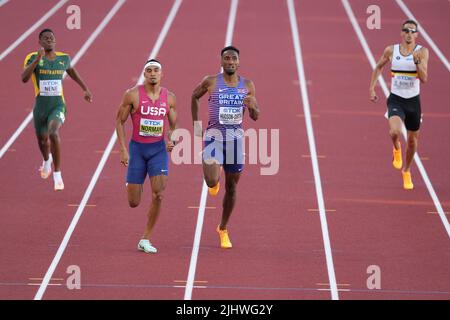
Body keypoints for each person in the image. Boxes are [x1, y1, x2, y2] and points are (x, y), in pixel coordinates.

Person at [191, 46, 260, 249]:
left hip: (235, 141)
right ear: (221, 62)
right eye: (226, 58)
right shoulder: (211, 81)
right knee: (212, 179)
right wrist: (196, 124)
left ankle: (223, 228)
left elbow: (255, 117)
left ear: (238, 63)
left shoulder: (247, 85)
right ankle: (214, 181)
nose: (230, 61)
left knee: (231, 188)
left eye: (234, 59)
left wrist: (254, 106)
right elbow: (194, 96)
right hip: (214, 137)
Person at [116, 59, 177, 254]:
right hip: (137, 150)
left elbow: (173, 124)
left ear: (162, 75)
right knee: (133, 202)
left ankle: (145, 238)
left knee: (159, 194)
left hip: (158, 151)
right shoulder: (132, 95)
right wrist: (123, 149)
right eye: (149, 70)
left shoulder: (170, 98)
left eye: (156, 71)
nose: (152, 74)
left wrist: (171, 139)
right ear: (144, 74)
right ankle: (134, 182)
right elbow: (119, 121)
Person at [22, 28, 92, 191]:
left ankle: (57, 174)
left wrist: (85, 89)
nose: (49, 40)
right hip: (40, 107)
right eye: (45, 38)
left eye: (51, 38)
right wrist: (36, 60)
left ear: (55, 41)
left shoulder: (64, 58)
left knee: (53, 132)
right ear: (39, 42)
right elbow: (24, 78)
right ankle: (47, 160)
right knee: (42, 140)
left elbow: (72, 71)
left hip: (57, 105)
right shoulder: (32, 57)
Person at [369, 20, 428, 190]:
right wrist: (372, 87)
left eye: (412, 31)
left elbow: (424, 79)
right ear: (402, 33)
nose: (409, 34)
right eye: (406, 30)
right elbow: (379, 67)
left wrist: (417, 63)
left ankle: (407, 171)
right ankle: (396, 148)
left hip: (413, 102)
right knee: (394, 131)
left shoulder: (422, 52)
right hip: (396, 99)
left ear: (416, 34)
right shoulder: (391, 50)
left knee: (412, 141)